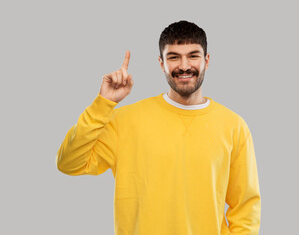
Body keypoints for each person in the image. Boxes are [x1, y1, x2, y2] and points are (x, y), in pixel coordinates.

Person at [56, 20, 261, 235]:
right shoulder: (124, 120)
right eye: (173, 57)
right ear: (161, 63)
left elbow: (245, 207)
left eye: (193, 55)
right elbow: (68, 163)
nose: (184, 65)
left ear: (206, 60)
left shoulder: (233, 126)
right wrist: (103, 104)